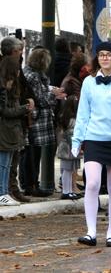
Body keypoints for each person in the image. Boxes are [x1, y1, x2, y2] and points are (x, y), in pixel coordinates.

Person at [72, 41, 111, 248]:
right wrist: (77, 139)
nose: (105, 58)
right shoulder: (89, 82)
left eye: (109, 55)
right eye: (101, 55)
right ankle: (91, 232)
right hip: (94, 138)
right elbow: (83, 113)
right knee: (91, 184)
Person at [23, 47, 66, 196]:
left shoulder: (30, 72)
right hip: (36, 118)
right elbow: (40, 98)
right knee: (32, 152)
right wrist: (55, 96)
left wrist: (51, 91)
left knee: (32, 152)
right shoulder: (34, 76)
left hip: (36, 117)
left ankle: (31, 184)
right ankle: (31, 185)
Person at [0, 56, 34, 206]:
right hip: (6, 131)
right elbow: (4, 111)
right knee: (4, 163)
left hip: (11, 130)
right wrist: (24, 108)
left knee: (7, 164)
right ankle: (2, 193)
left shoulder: (10, 88)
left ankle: (4, 192)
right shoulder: (3, 88)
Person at [56, 95, 81, 200]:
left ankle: (69, 190)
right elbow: (71, 134)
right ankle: (66, 191)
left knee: (69, 170)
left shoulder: (64, 117)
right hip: (69, 148)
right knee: (67, 170)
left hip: (66, 147)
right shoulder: (72, 119)